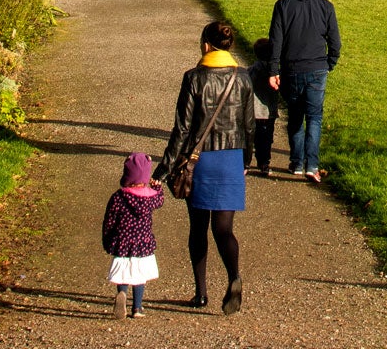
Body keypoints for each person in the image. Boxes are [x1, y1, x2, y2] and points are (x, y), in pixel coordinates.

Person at [155, 19, 257, 313]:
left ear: (205, 45)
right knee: (224, 229)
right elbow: (250, 125)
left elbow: (182, 129)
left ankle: (200, 293)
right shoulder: (244, 78)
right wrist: (246, 161)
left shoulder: (194, 78)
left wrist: (164, 168)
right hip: (230, 157)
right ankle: (234, 276)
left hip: (199, 161)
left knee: (198, 228)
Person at [267, 0, 341, 181]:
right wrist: (331, 62)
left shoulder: (283, 5)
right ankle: (312, 164)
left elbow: (276, 41)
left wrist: (273, 70)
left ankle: (297, 163)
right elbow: (335, 41)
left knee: (296, 116)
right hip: (317, 67)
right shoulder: (326, 6)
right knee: (315, 117)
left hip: (292, 68)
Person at [100, 152, 163, 319]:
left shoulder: (118, 197)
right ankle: (137, 307)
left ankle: (122, 294)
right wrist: (157, 187)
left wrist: (107, 239)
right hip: (143, 242)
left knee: (123, 272)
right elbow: (160, 200)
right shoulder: (150, 198)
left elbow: (109, 220)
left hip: (122, 241)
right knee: (139, 274)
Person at [248, 37, 279, 177]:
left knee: (251, 137)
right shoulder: (274, 72)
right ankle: (264, 163)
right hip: (268, 111)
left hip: (253, 110)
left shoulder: (251, 70)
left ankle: (246, 162)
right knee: (266, 138)